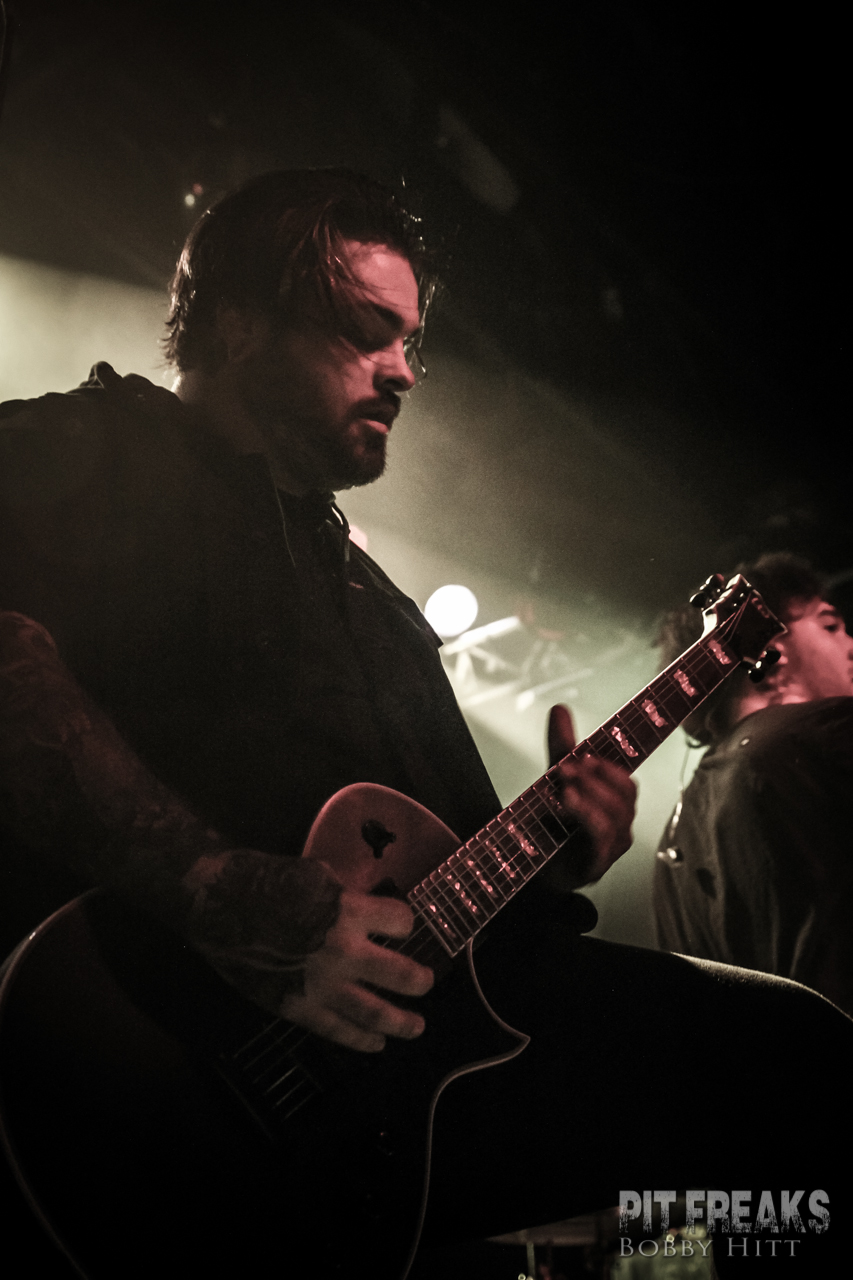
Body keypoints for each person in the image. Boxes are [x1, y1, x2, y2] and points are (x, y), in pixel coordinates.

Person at [1, 172, 851, 1277]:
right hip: (157, 1068)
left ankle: (656, 1261)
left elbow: (440, 878)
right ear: (239, 324)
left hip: (408, 1074)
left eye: (409, 340)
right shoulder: (89, 449)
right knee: (800, 1064)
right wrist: (218, 892)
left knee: (796, 1095)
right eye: (366, 331)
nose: (403, 369)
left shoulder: (379, 605)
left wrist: (555, 852)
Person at [654, 552, 853, 1016]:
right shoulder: (822, 736)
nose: (850, 643)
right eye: (830, 625)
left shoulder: (670, 854)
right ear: (771, 651)